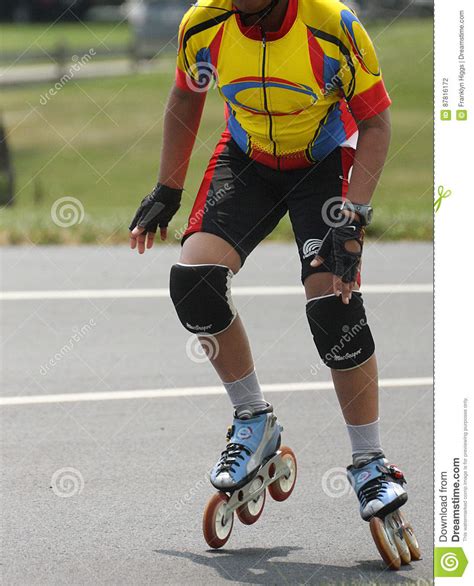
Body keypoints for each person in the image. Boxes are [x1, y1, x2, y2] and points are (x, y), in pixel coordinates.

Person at [129, 0, 408, 526]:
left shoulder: (333, 25)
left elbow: (376, 121)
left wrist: (354, 215)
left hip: (325, 162)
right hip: (248, 157)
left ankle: (370, 461)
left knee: (334, 308)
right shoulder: (203, 24)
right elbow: (186, 97)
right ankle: (252, 419)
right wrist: (167, 187)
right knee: (193, 283)